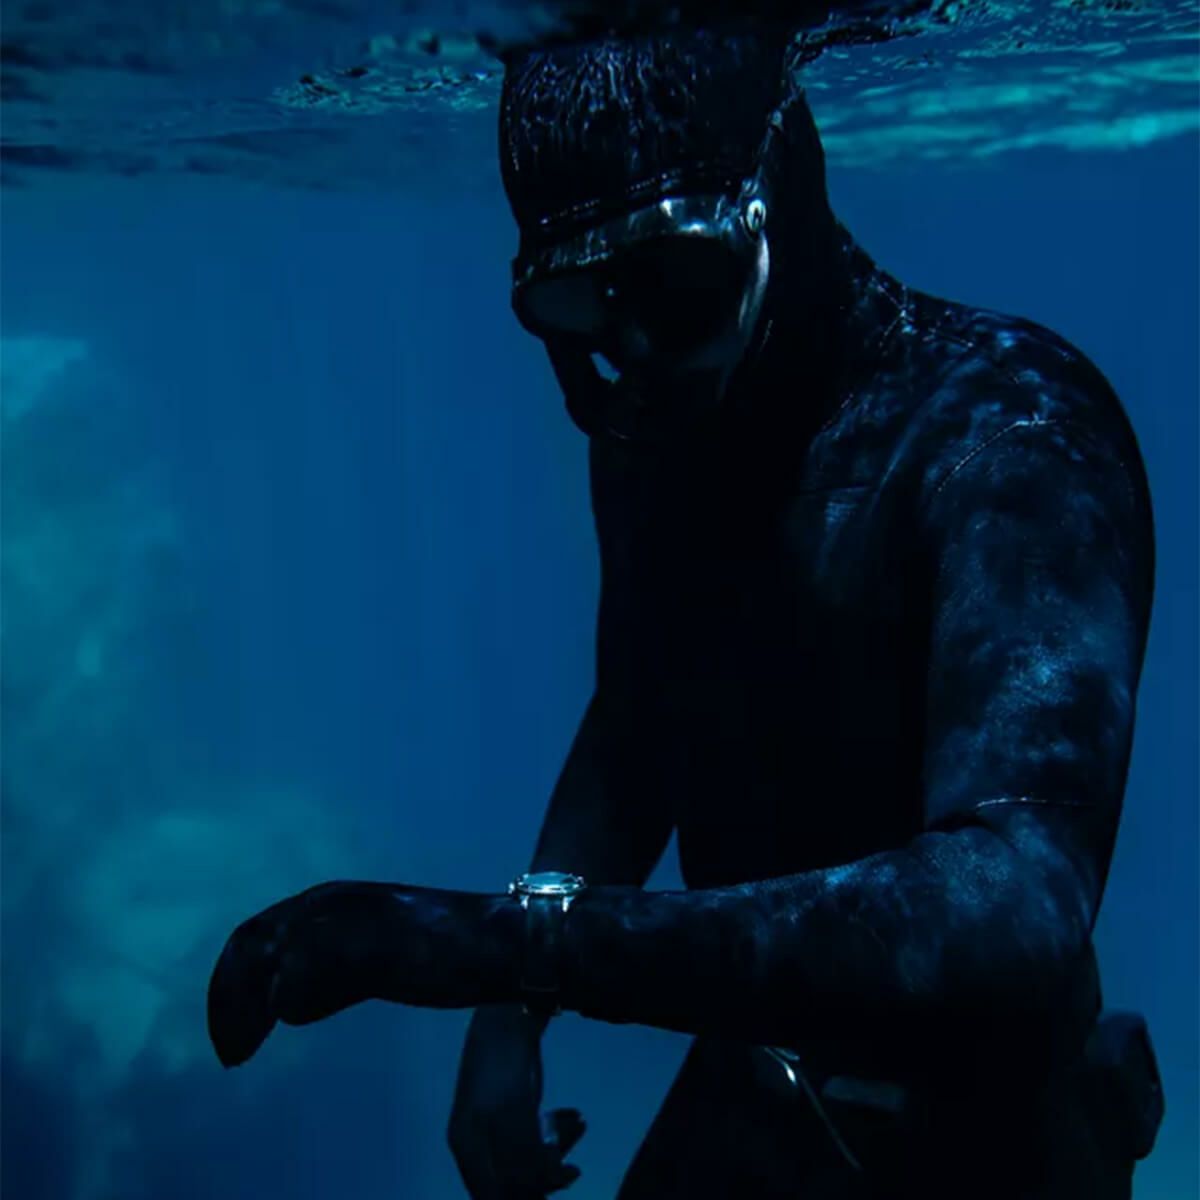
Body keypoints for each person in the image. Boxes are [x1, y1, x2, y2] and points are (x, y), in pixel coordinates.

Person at [206, 27, 1165, 1199]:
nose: (639, 357)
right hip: (752, 1092)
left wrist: (498, 953)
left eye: (679, 290)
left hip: (989, 1144)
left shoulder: (1011, 434)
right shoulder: (653, 430)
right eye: (583, 312)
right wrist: (514, 1005)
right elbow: (645, 713)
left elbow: (1010, 914)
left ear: (778, 198)